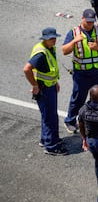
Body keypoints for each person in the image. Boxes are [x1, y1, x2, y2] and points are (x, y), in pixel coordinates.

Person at [62, 9, 98, 133]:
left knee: (96, 97)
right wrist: (74, 41)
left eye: (92, 21)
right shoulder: (74, 32)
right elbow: (64, 50)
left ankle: (91, 120)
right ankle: (70, 121)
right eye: (87, 21)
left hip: (97, 71)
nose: (90, 24)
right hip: (81, 73)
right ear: (82, 18)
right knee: (78, 98)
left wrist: (97, 47)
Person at [23, 27, 67, 156]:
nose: (54, 40)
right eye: (51, 38)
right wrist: (34, 85)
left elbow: (49, 69)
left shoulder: (48, 48)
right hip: (44, 89)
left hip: (49, 86)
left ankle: (46, 139)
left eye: (54, 38)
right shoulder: (41, 53)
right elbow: (27, 69)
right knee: (50, 117)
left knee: (48, 115)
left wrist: (55, 82)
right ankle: (51, 146)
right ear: (45, 39)